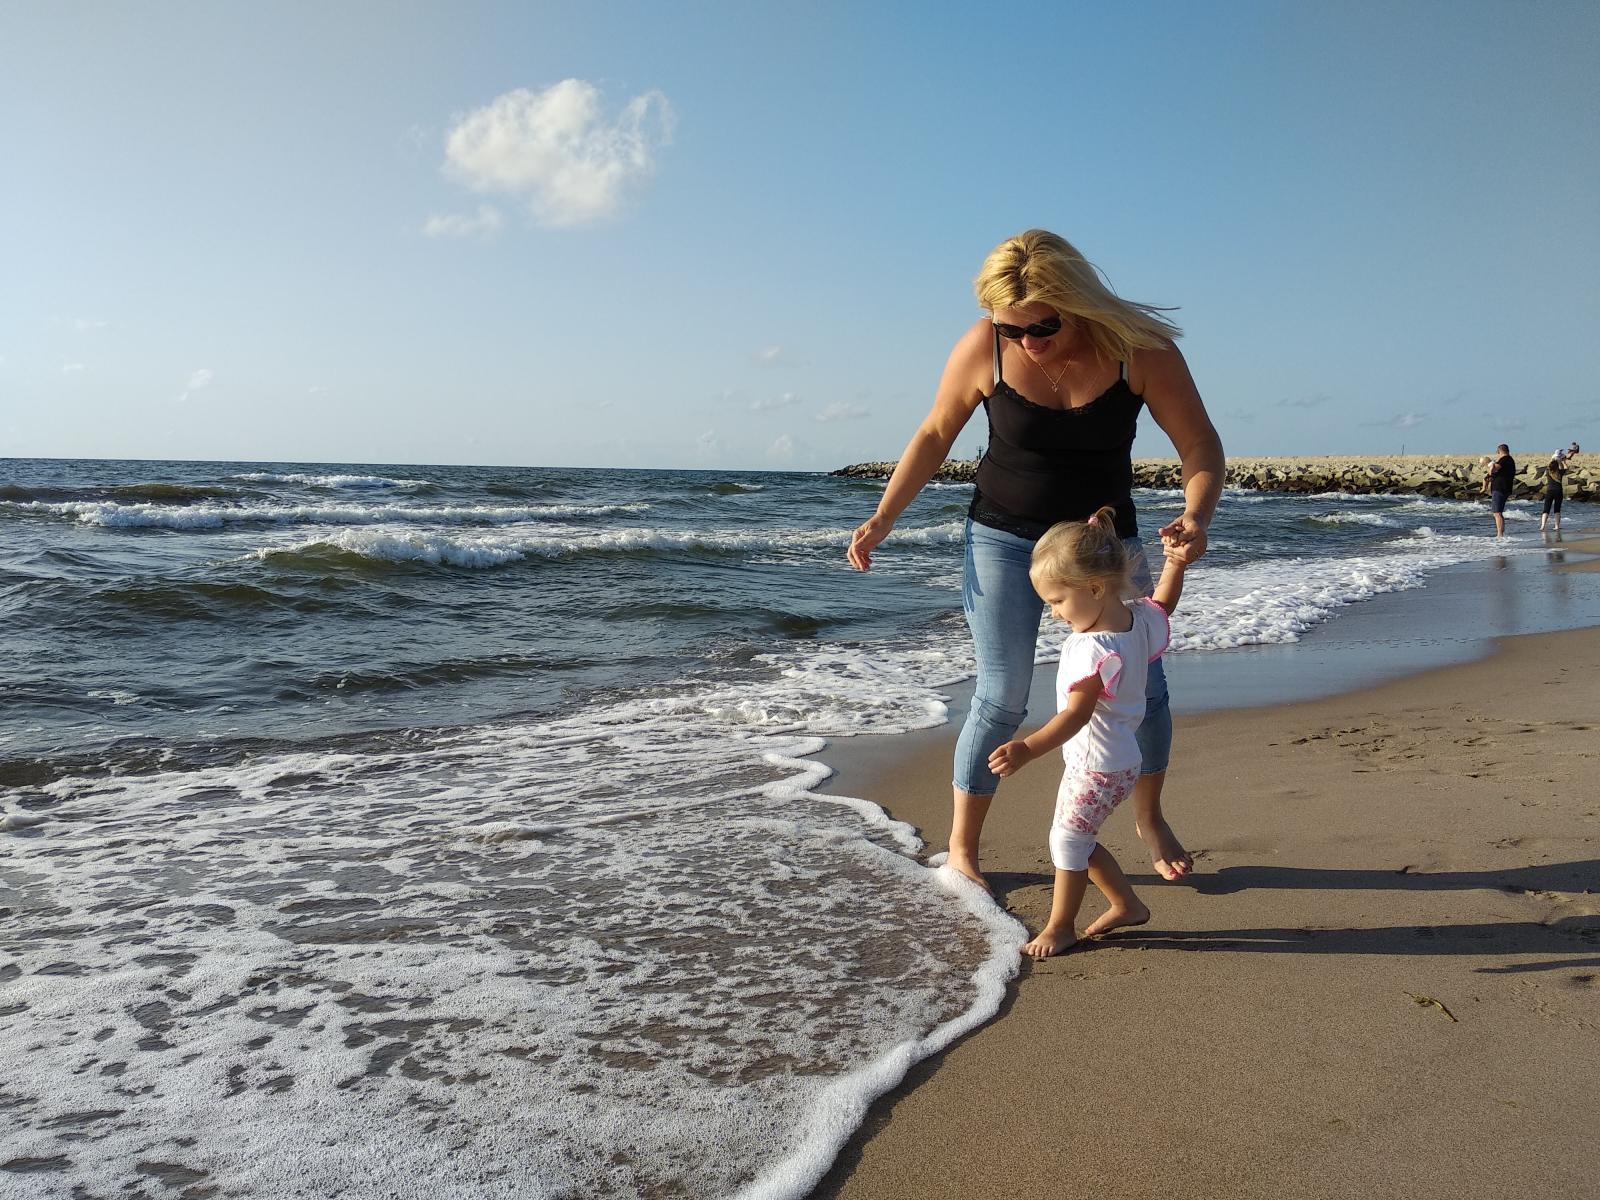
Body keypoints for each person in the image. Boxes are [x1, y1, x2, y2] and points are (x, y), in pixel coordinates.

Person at [846, 229, 1224, 889]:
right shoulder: (983, 346)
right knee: (1001, 694)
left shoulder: (1138, 350)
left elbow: (1199, 443)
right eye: (1010, 329)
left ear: (1075, 301)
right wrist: (884, 516)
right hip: (1002, 537)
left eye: (1042, 327)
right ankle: (963, 848)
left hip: (1104, 549)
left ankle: (1148, 819)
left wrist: (1196, 516)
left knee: (1148, 689)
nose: (1027, 342)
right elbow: (936, 432)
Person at [987, 507, 1186, 957]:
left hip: (1096, 766)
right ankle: (1126, 904)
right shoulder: (1133, 621)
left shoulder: (1091, 648)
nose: (1054, 613)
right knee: (1077, 835)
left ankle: (1062, 926)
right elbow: (1165, 604)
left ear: (1095, 588)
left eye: (1058, 600)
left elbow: (1076, 716)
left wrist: (1027, 748)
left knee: (1069, 840)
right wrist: (1175, 564)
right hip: (1121, 761)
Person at [1487, 444, 1516, 537]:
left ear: (1499, 451)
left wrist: (1490, 465)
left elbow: (1494, 469)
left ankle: (1499, 534)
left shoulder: (1505, 459)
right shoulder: (1509, 460)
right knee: (1498, 512)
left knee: (1497, 513)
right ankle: (1501, 533)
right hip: (1504, 487)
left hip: (1500, 488)